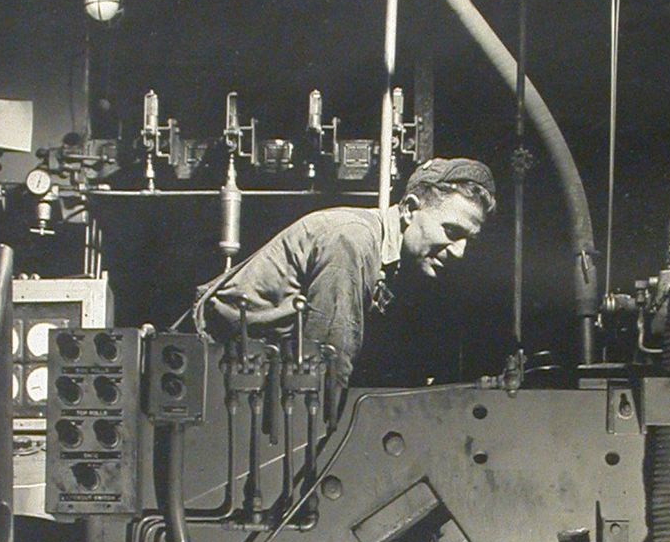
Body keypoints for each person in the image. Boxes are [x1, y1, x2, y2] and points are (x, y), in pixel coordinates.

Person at [194, 157, 495, 393]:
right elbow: (328, 365)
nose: (460, 252)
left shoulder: (386, 254)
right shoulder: (352, 240)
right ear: (409, 209)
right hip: (208, 368)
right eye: (452, 231)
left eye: (470, 239)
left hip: (243, 371)